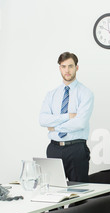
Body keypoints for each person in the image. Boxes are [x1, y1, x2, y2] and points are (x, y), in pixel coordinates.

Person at [39, 52, 94, 182]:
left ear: (77, 67)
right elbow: (42, 120)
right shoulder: (51, 95)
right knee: (53, 192)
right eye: (63, 66)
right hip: (54, 149)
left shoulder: (86, 93)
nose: (67, 70)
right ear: (60, 68)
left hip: (76, 149)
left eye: (70, 66)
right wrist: (68, 116)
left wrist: (54, 127)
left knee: (79, 195)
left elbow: (80, 123)